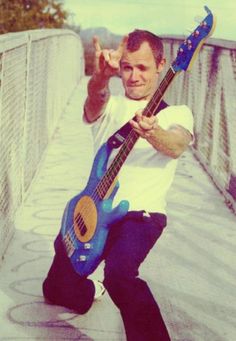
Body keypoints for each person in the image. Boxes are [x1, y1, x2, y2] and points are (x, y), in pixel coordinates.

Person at [43, 29, 194, 341]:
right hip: (92, 210)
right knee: (55, 289)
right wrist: (100, 76)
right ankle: (88, 289)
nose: (134, 76)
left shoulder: (176, 114)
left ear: (161, 65)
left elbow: (176, 144)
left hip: (140, 216)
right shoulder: (110, 107)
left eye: (143, 68)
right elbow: (94, 99)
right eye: (127, 68)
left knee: (120, 275)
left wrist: (153, 133)